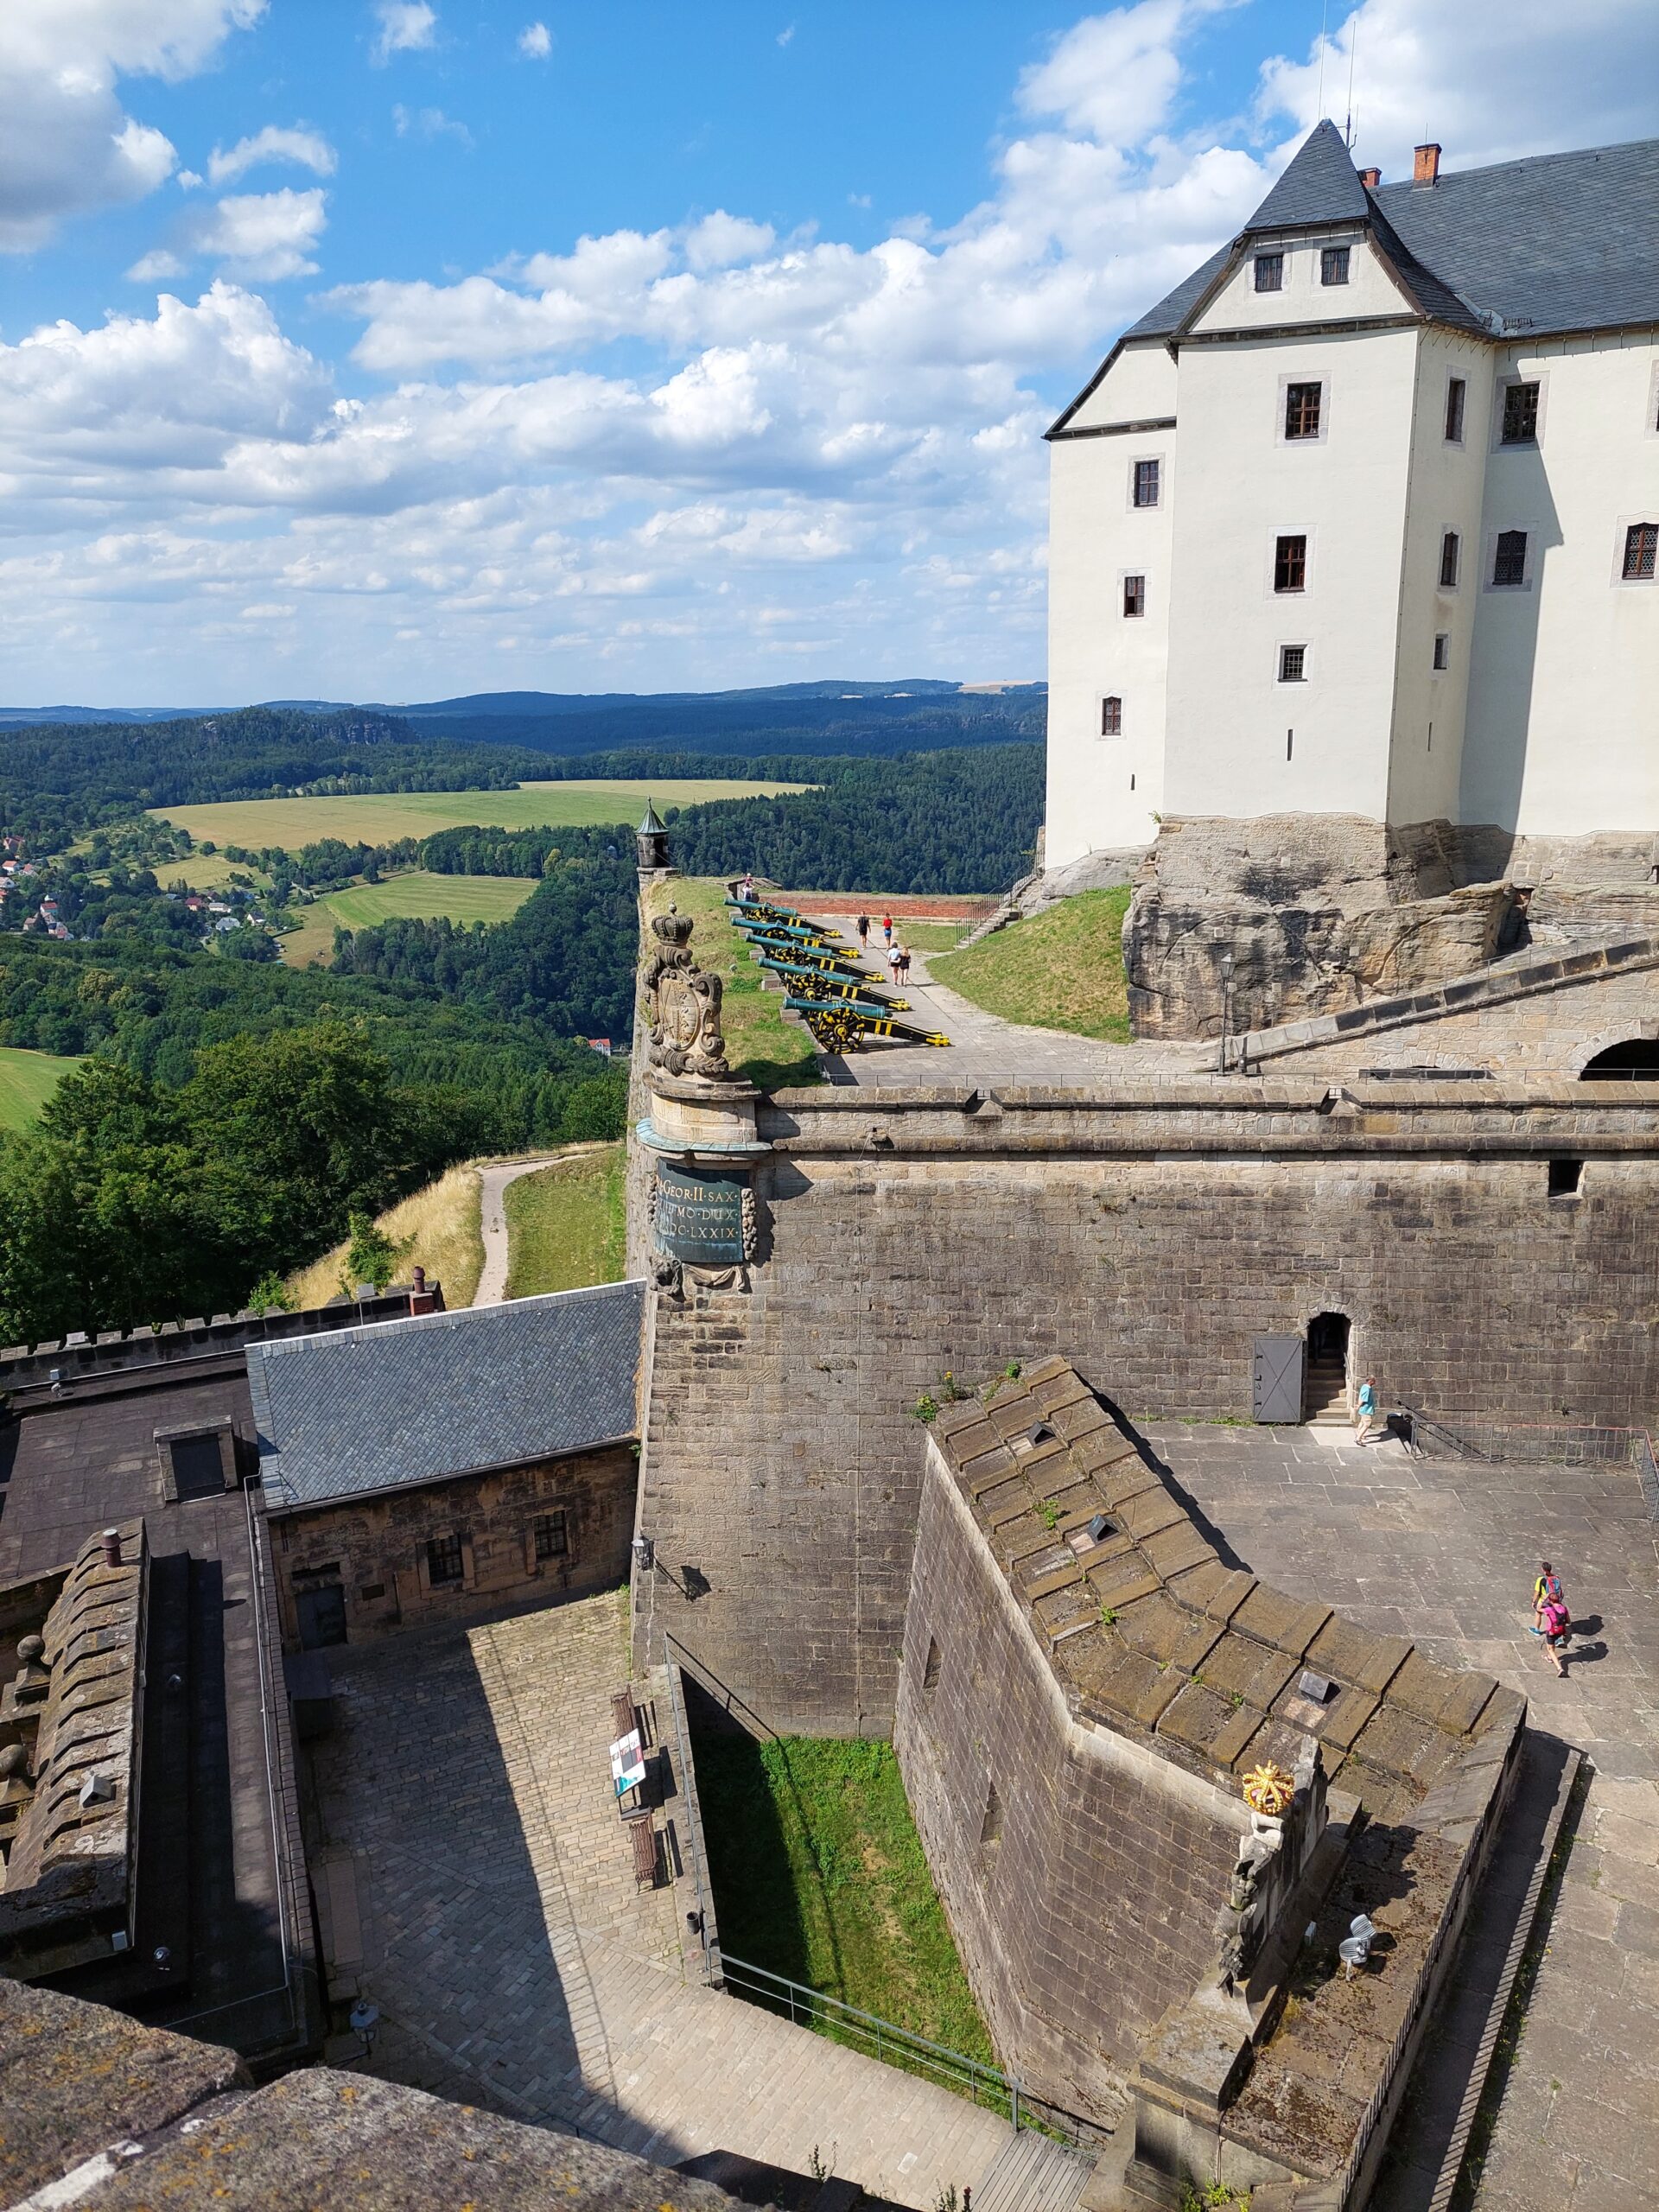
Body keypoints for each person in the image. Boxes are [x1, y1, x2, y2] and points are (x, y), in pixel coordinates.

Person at [1535, 1582, 1571, 1676]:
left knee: (1550, 1649)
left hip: (1551, 1631)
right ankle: (1549, 1657)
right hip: (1561, 1631)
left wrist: (1543, 1598)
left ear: (1550, 1601)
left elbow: (1538, 1608)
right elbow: (1569, 1621)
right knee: (1552, 1644)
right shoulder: (1564, 1608)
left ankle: (1560, 1668)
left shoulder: (1549, 1609)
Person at [1353, 1374, 1379, 1445]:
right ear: (1370, 1381)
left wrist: (1359, 1405)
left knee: (1362, 1422)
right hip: (1366, 1410)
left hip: (1364, 1409)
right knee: (1367, 1424)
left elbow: (1360, 1397)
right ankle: (1358, 1439)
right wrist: (1359, 1405)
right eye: (1374, 1380)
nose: (1375, 1381)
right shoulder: (1367, 1389)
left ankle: (1359, 1434)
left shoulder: (1364, 1386)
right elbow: (1363, 1399)